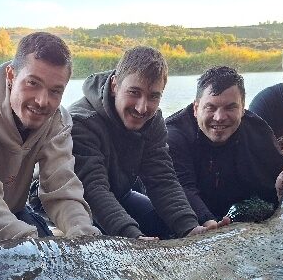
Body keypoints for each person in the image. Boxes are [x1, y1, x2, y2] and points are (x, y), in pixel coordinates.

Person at [0, 32, 99, 242]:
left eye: (55, 91)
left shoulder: (58, 121)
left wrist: (84, 235)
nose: (42, 101)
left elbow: (62, 189)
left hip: (16, 212)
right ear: (11, 75)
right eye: (33, 83)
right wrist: (30, 245)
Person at [69, 46, 203, 239]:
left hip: (120, 193)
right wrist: (133, 237)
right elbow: (92, 189)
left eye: (153, 96)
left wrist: (190, 227)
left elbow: (162, 179)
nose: (142, 108)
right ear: (115, 86)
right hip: (73, 203)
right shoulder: (82, 122)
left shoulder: (152, 120)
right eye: (134, 92)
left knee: (170, 228)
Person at [166, 66, 283, 227]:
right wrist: (208, 220)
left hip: (236, 210)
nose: (220, 117)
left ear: (242, 108)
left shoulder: (258, 131)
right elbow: (181, 187)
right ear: (196, 108)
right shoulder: (174, 135)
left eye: (230, 107)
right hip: (188, 212)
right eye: (211, 107)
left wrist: (282, 189)